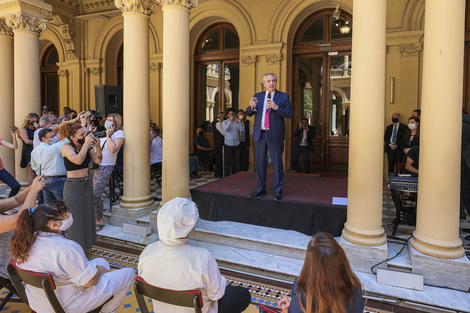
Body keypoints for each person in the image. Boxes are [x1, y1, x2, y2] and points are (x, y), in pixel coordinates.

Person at [9, 200, 134, 313]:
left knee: (102, 261)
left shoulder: (24, 242)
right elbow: (89, 282)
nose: (69, 216)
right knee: (129, 273)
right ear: (54, 225)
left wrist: (99, 269)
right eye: (65, 216)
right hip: (66, 305)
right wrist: (100, 271)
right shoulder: (66, 248)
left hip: (38, 302)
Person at [138, 197, 251, 313]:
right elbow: (216, 294)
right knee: (243, 294)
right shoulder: (202, 257)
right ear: (190, 226)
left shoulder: (148, 252)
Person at [277, 233, 364, 313]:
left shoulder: (301, 292)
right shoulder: (354, 285)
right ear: (341, 259)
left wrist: (286, 310)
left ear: (309, 263)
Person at [246, 73, 293, 200]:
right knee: (260, 163)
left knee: (277, 163)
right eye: (269, 81)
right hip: (260, 135)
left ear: (276, 82)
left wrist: (277, 107)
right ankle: (261, 189)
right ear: (264, 84)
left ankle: (278, 191)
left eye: (273, 81)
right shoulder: (257, 96)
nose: (271, 83)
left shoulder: (283, 96)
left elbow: (290, 113)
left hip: (275, 135)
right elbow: (249, 113)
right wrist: (250, 107)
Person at [59, 122, 102, 250]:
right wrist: (86, 145)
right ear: (72, 137)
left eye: (85, 133)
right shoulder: (66, 147)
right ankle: (74, 249)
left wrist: (98, 147)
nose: (85, 136)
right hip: (73, 186)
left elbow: (98, 160)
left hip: (87, 183)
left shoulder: (86, 147)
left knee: (87, 214)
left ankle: (86, 246)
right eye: (82, 134)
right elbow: (77, 160)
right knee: (74, 217)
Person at [0, 176, 45, 279]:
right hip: (7, 267)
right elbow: (20, 219)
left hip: (17, 259)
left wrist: (32, 187)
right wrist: (34, 190)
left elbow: (15, 200)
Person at [92, 114, 124, 231]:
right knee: (89, 193)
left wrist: (109, 136)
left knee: (94, 194)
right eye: (108, 120)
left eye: (111, 120)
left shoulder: (118, 133)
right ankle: (93, 216)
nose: (108, 122)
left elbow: (114, 149)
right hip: (94, 165)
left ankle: (99, 219)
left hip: (106, 165)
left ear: (117, 123)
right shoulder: (102, 133)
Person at [31, 129, 68, 203]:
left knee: (49, 205)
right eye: (52, 136)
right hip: (58, 180)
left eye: (54, 135)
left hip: (45, 180)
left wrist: (41, 175)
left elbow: (34, 166)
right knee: (64, 205)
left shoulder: (35, 150)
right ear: (43, 139)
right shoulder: (54, 148)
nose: (55, 137)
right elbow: (67, 140)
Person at [0, 127, 21, 198]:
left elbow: (14, 147)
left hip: (0, 170)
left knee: (16, 186)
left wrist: (13, 136)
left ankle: (8, 205)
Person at [222, 108, 244, 176]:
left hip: (236, 144)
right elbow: (225, 129)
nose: (231, 115)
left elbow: (242, 130)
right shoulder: (225, 122)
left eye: (233, 114)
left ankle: (236, 175)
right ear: (228, 115)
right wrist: (230, 121)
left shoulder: (238, 122)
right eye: (230, 114)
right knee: (228, 160)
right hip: (228, 144)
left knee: (236, 161)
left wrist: (237, 122)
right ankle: (227, 174)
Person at [19, 113, 39, 185]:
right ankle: (31, 189)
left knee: (38, 170)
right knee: (31, 171)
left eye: (36, 121)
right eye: (33, 121)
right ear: (28, 121)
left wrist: (38, 129)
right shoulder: (23, 129)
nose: (35, 122)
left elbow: (43, 137)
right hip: (28, 151)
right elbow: (27, 141)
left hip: (38, 150)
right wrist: (37, 142)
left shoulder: (38, 129)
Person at [211, 112, 225, 178]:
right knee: (219, 158)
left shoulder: (220, 123)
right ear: (220, 116)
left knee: (220, 158)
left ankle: (220, 172)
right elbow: (223, 133)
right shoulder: (218, 123)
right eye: (223, 116)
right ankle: (217, 173)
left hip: (220, 143)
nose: (224, 117)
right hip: (218, 143)